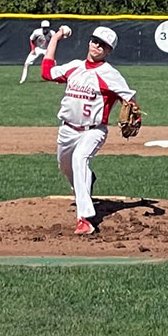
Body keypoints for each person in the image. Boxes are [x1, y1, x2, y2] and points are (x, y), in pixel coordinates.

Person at [41, 24, 139, 236]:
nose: (97, 46)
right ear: (89, 42)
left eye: (103, 45)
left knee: (80, 160)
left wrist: (135, 112)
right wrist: (56, 38)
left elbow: (130, 98)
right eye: (95, 41)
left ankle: (84, 219)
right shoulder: (75, 67)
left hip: (93, 130)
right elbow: (46, 72)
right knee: (66, 167)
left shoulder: (110, 74)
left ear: (109, 51)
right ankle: (87, 180)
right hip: (67, 130)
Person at [19, 19, 54, 83]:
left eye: (47, 28)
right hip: (38, 48)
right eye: (44, 28)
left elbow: (54, 41)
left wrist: (51, 50)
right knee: (26, 63)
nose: (45, 29)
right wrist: (33, 49)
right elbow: (31, 39)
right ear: (42, 27)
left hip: (47, 49)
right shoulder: (37, 32)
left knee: (53, 63)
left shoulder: (52, 33)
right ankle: (22, 79)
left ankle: (56, 79)